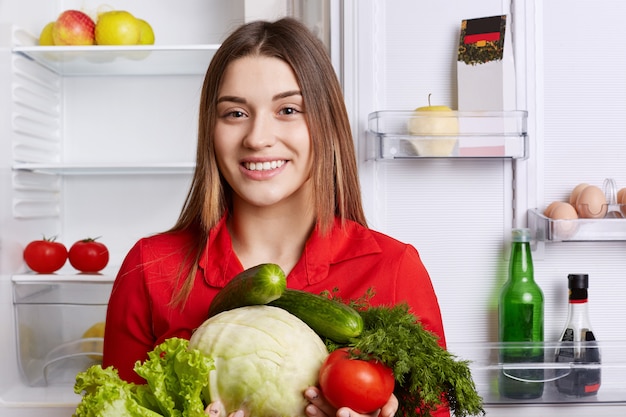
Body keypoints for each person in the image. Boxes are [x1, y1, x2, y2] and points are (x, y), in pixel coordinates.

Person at [102, 17, 449, 417]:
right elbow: (111, 406)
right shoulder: (151, 269)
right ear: (210, 130)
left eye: (287, 109)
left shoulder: (393, 269)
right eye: (234, 113)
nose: (257, 137)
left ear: (326, 124)